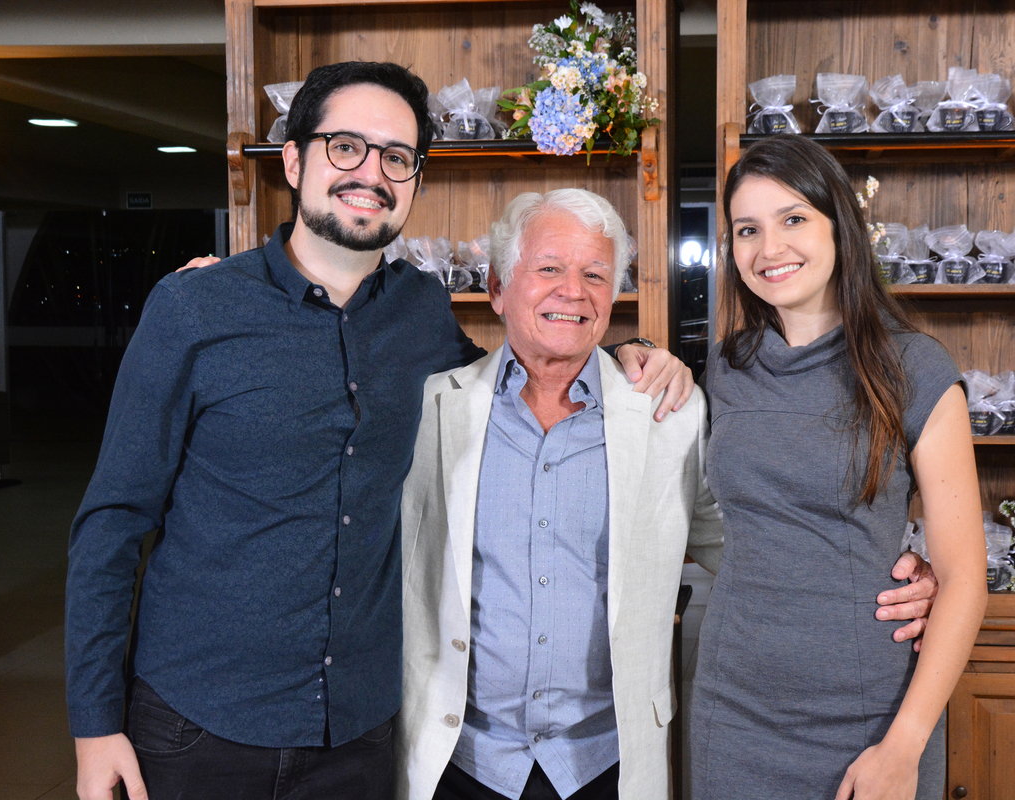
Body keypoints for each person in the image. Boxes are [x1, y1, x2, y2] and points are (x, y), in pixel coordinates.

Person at [64, 62, 691, 800]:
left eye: (397, 156)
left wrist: (625, 354)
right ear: (293, 160)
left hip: (360, 734)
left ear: (414, 180)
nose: (371, 173)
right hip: (199, 725)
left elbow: (518, 369)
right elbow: (111, 523)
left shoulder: (421, 311)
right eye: (345, 147)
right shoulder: (194, 309)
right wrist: (94, 724)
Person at [395, 188, 940, 800]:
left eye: (595, 275)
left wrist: (881, 575)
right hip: (460, 762)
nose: (573, 291)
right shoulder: (429, 409)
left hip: (607, 764)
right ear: (497, 287)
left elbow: (751, 542)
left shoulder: (669, 415)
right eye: (548, 268)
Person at [689, 134, 988, 800]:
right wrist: (635, 349)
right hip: (731, 710)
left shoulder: (915, 369)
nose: (770, 248)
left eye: (793, 218)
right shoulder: (726, 367)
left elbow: (965, 578)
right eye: (747, 229)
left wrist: (903, 746)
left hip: (870, 716)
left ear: (839, 226)